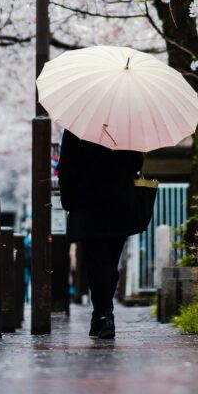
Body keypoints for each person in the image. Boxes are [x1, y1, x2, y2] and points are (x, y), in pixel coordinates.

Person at [57, 129, 143, 339]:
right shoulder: (126, 125)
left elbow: (67, 168)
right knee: (109, 265)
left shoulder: (77, 129)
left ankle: (104, 315)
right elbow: (136, 163)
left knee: (98, 265)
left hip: (88, 206)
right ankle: (102, 315)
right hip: (120, 203)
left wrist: (68, 201)